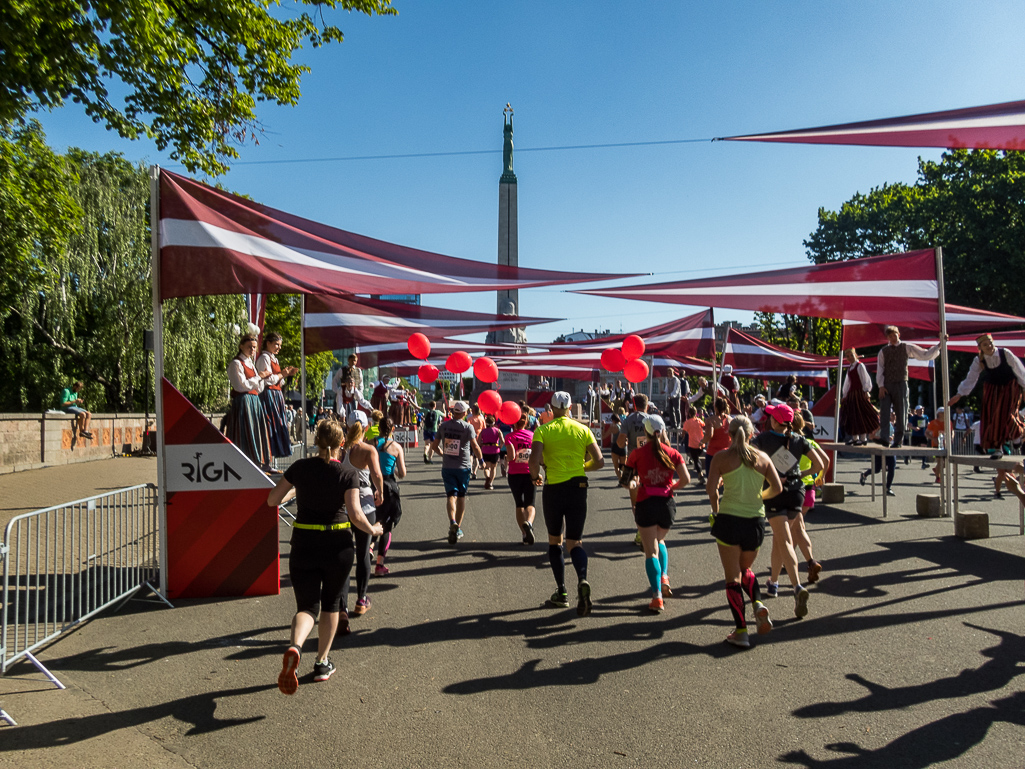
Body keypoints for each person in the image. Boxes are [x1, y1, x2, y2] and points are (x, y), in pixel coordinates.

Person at [268, 419, 383, 693]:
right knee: (331, 603)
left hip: (304, 543)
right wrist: (373, 529)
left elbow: (273, 500)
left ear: (316, 441)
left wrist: (297, 490)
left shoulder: (299, 468)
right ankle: (321, 663)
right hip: (337, 544)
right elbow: (355, 514)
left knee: (306, 607)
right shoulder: (346, 473)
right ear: (341, 444)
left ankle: (296, 646)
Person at [706, 415, 784, 649]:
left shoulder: (721, 457)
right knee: (745, 569)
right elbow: (777, 488)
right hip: (755, 522)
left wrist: (715, 509)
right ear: (752, 434)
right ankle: (758, 603)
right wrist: (760, 496)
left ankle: (741, 631)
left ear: (729, 434)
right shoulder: (762, 458)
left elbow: (711, 490)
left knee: (732, 578)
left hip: (729, 519)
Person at [529, 391, 605, 616]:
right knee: (575, 541)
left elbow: (534, 461)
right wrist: (582, 468)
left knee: (555, 542)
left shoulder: (542, 431)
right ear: (571, 407)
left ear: (551, 409)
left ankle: (561, 592)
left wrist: (535, 477)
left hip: (554, 488)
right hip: (578, 487)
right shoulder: (583, 429)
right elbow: (599, 461)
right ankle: (582, 579)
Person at [750, 403, 824, 618]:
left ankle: (797, 587)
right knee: (780, 539)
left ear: (773, 420)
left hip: (775, 492)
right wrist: (799, 475)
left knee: (783, 540)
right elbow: (819, 464)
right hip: (796, 493)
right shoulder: (800, 440)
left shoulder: (762, 439)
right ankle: (773, 582)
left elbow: (749, 458)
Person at [623, 415, 690, 613]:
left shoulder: (636, 454)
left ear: (646, 432)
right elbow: (686, 479)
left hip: (646, 503)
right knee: (659, 541)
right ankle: (665, 576)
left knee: (650, 550)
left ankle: (657, 596)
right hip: (667, 504)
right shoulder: (673, 453)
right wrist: (671, 487)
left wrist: (635, 482)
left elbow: (627, 480)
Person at [949, 333, 1025, 463]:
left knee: (1005, 412)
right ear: (980, 348)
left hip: (1010, 386)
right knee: (991, 417)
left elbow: (1019, 370)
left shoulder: (1005, 353)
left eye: (990, 342)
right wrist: (960, 393)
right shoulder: (978, 360)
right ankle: (998, 448)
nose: (989, 346)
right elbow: (971, 377)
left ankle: (1017, 433)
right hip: (992, 388)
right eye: (985, 344)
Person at [772, 413, 826, 585]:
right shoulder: (809, 442)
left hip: (796, 489)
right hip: (809, 492)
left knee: (790, 532)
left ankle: (797, 562)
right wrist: (820, 476)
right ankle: (807, 562)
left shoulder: (790, 444)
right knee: (798, 528)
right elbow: (824, 460)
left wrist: (799, 474)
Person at [340, 411, 384, 617]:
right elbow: (376, 474)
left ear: (346, 426)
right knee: (364, 552)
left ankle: (341, 606)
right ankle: (361, 598)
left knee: (344, 555)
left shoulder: (342, 449)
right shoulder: (369, 449)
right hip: (365, 504)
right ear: (367, 427)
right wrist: (380, 493)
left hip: (345, 506)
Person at [876, 326, 943, 447]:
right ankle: (885, 438)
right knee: (885, 412)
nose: (892, 338)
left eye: (894, 335)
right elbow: (880, 368)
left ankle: (898, 440)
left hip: (901, 383)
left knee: (901, 411)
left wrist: (939, 345)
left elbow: (924, 354)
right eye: (890, 336)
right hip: (886, 384)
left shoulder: (906, 347)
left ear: (899, 334)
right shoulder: (883, 351)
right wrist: (880, 385)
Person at [429, 401, 483, 544]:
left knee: (450, 496)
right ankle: (457, 527)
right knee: (461, 497)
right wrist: (481, 461)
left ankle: (452, 521)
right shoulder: (468, 427)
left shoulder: (443, 426)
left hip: (447, 466)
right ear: (464, 413)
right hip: (463, 467)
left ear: (453, 412)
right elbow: (475, 447)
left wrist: (443, 454)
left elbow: (434, 446)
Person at [227, 334, 272, 470]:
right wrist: (259, 376)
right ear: (241, 346)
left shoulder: (250, 364)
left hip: (254, 401)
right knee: (245, 432)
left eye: (254, 347)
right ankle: (246, 464)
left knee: (257, 431)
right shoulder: (236, 363)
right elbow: (241, 386)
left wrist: (262, 379)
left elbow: (257, 388)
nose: (252, 350)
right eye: (249, 347)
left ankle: (260, 462)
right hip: (243, 402)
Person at [255, 332, 297, 459]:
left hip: (276, 394)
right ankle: (266, 459)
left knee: (277, 424)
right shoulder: (264, 358)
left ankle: (271, 459)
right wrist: (282, 374)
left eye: (280, 345)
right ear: (268, 343)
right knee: (270, 425)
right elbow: (267, 380)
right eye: (276, 345)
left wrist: (286, 374)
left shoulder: (274, 359)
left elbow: (278, 380)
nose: (279, 347)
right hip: (268, 394)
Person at [372, 417, 406, 576]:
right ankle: (379, 565)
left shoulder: (371, 443)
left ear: (378, 428)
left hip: (372, 485)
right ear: (393, 429)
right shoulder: (397, 447)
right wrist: (396, 472)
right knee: (386, 525)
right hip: (389, 486)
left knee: (372, 519)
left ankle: (370, 547)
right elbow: (403, 473)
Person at [505, 412, 537, 545]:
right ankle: (528, 523)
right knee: (530, 503)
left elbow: (512, 456)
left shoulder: (510, 437)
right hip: (530, 472)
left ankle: (524, 535)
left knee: (519, 503)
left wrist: (505, 459)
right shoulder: (532, 436)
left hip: (514, 474)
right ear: (526, 423)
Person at [477, 414, 504, 490]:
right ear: (494, 422)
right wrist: (500, 446)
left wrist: (482, 444)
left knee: (486, 467)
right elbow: (503, 441)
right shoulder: (498, 430)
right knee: (493, 468)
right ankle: (491, 483)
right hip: (495, 450)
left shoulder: (483, 431)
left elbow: (478, 442)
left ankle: (487, 477)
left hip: (485, 450)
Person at [681, 406, 706, 483]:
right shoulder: (699, 421)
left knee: (696, 460)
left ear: (689, 414)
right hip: (701, 443)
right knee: (697, 458)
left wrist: (683, 437)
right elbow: (705, 427)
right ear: (696, 413)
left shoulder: (687, 423)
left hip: (692, 444)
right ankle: (700, 473)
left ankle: (700, 474)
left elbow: (683, 433)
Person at [467, 404, 487, 479]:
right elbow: (484, 429)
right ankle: (475, 471)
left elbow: (467, 427)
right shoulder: (481, 419)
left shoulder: (470, 418)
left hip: (471, 438)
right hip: (479, 438)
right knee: (477, 456)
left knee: (471, 455)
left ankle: (471, 469)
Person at [608, 412, 626, 480]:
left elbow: (604, 436)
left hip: (615, 446)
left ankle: (621, 479)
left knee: (616, 466)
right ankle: (628, 478)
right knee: (623, 466)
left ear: (613, 420)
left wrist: (602, 427)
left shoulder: (613, 426)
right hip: (623, 446)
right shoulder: (623, 426)